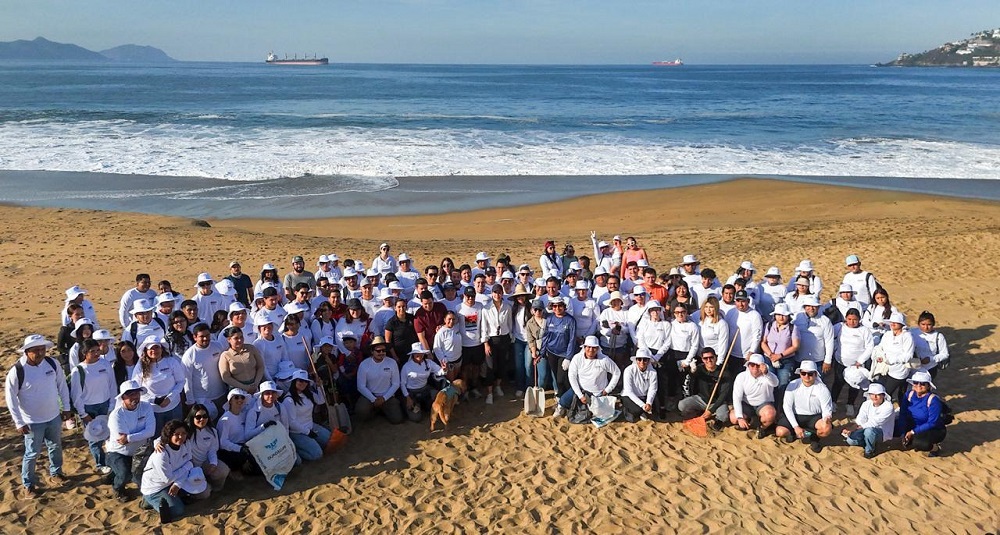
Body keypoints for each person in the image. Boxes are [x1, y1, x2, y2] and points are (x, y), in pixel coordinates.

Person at [5, 335, 72, 499]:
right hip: (32, 421)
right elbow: (11, 399)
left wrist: (66, 408)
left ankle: (56, 473)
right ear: (27, 352)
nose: (41, 353)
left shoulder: (51, 363)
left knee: (55, 447)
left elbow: (62, 385)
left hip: (54, 416)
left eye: (43, 349)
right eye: (36, 350)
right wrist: (19, 422)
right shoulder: (17, 371)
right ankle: (28, 485)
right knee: (32, 453)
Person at [140, 419, 205, 523]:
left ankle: (176, 495)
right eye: (177, 434)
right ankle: (147, 500)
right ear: (169, 435)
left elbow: (188, 463)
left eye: (183, 433)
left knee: (202, 493)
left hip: (175, 480)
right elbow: (168, 478)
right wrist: (187, 466)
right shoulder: (162, 454)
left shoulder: (186, 444)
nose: (181, 437)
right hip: (156, 487)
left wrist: (178, 484)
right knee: (177, 510)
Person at [69, 339, 117, 475]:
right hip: (89, 408)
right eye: (92, 351)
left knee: (109, 434)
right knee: (94, 438)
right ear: (85, 353)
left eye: (97, 350)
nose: (97, 353)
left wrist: (112, 405)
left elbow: (112, 385)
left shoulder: (106, 364)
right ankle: (100, 464)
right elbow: (76, 395)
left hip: (106, 404)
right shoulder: (78, 371)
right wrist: (83, 414)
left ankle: (111, 460)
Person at [105, 379, 156, 502]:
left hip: (140, 451)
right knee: (125, 474)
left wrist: (129, 437)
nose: (134, 397)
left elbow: (151, 431)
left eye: (136, 393)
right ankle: (118, 488)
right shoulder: (116, 415)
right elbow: (121, 440)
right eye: (130, 394)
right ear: (123, 397)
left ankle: (114, 473)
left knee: (142, 478)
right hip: (118, 452)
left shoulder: (146, 407)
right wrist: (140, 435)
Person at [552, 336, 621, 419]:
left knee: (598, 413)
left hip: (598, 393)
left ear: (598, 349)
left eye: (594, 348)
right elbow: (572, 376)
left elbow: (617, 372)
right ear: (584, 347)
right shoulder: (577, 358)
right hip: (580, 390)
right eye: (588, 347)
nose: (591, 350)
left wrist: (607, 390)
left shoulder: (604, 360)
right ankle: (560, 409)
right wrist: (580, 395)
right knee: (563, 400)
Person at [776, 360, 834, 453]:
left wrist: (827, 418)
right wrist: (796, 427)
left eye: (810, 374)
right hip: (796, 415)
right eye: (803, 373)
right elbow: (787, 407)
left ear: (815, 374)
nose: (807, 376)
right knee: (780, 432)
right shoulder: (792, 385)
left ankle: (814, 437)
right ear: (800, 374)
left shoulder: (822, 388)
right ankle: (796, 433)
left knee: (826, 429)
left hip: (814, 417)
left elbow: (826, 408)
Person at [132, 336, 186, 435]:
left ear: (162, 348)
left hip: (173, 406)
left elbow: (181, 381)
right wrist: (155, 400)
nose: (154, 350)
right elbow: (136, 388)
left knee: (175, 434)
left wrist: (169, 398)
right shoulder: (140, 366)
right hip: (152, 410)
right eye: (151, 348)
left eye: (157, 347)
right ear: (146, 351)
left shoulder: (171, 362)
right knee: (157, 437)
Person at [832, 308, 875, 416]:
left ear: (859, 319)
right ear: (845, 318)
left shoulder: (864, 331)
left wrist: (861, 360)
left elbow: (870, 347)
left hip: (857, 364)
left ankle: (850, 404)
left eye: (855, 319)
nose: (852, 322)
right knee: (838, 382)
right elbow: (830, 337)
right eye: (849, 319)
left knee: (854, 385)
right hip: (840, 361)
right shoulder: (839, 327)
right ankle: (833, 402)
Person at [678, 347, 735, 429]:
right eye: (705, 358)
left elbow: (723, 395)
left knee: (723, 416)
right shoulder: (700, 369)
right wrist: (692, 371)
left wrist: (711, 411)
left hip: (717, 402)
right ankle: (699, 412)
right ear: (702, 359)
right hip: (701, 399)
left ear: (716, 357)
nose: (709, 360)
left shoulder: (724, 372)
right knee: (682, 405)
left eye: (711, 357)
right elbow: (693, 375)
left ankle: (717, 421)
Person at [282, 370, 331, 462]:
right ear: (294, 381)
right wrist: (307, 432)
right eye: (300, 380)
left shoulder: (308, 394)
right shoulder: (289, 400)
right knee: (317, 454)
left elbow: (321, 400)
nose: (303, 383)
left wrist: (319, 386)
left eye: (305, 381)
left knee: (329, 441)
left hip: (310, 426)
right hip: (297, 432)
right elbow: (292, 422)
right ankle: (297, 449)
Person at [182, 323, 228, 420]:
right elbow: (187, 380)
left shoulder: (218, 346)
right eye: (201, 336)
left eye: (207, 335)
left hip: (222, 395)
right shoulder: (189, 355)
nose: (205, 338)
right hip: (203, 400)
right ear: (195, 337)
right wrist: (190, 401)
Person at [898, 371, 948, 456]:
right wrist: (903, 433)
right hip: (913, 425)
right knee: (894, 429)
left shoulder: (933, 400)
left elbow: (932, 423)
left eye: (923, 384)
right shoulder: (908, 395)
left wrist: (912, 432)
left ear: (928, 386)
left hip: (932, 429)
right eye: (916, 382)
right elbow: (902, 414)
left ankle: (935, 448)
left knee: (920, 443)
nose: (919, 385)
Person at [729, 354, 780, 438]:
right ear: (748, 366)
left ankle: (762, 428)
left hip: (763, 405)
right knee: (733, 417)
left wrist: (767, 373)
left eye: (758, 365)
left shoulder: (768, 376)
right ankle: (750, 422)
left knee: (770, 414)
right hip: (747, 404)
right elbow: (737, 397)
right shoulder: (741, 376)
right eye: (752, 364)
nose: (755, 367)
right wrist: (740, 417)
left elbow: (775, 383)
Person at [355, 337, 404, 424]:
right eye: (378, 351)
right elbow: (361, 386)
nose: (381, 353)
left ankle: (382, 409)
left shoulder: (392, 362)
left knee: (397, 419)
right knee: (361, 412)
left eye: (384, 350)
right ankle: (376, 410)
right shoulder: (364, 365)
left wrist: (384, 398)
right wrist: (373, 399)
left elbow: (396, 384)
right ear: (372, 351)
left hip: (387, 395)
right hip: (370, 396)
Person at [184, 404, 231, 490]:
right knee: (204, 492)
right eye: (198, 417)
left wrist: (213, 463)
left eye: (204, 416)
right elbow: (166, 436)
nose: (202, 419)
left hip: (205, 462)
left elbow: (212, 450)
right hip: (190, 467)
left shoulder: (212, 431)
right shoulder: (185, 431)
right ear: (192, 417)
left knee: (223, 470)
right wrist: (157, 443)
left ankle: (216, 489)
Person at [480, 284, 513, 404]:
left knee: (502, 364)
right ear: (492, 293)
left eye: (499, 292)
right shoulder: (486, 309)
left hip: (504, 339)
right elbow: (484, 327)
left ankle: (498, 386)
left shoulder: (507, 307)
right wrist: (485, 343)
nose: (497, 295)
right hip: (492, 340)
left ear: (502, 294)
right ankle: (489, 393)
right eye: (495, 292)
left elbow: (510, 324)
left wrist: (510, 337)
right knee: (490, 367)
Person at [842, 383, 895, 459]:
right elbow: (860, 419)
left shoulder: (888, 406)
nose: (875, 397)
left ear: (883, 395)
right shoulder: (866, 404)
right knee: (851, 440)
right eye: (872, 394)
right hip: (865, 428)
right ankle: (869, 442)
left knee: (869, 431)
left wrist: (856, 428)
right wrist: (850, 429)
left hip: (882, 432)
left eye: (878, 394)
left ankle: (869, 451)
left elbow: (876, 422)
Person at [872, 311, 915, 402]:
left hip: (899, 371)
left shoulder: (907, 336)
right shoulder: (887, 334)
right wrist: (879, 356)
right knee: (885, 391)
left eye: (896, 322)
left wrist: (892, 360)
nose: (893, 324)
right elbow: (880, 347)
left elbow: (908, 355)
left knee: (887, 393)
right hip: (885, 369)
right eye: (892, 322)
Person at [541, 296, 577, 397]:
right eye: (554, 306)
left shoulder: (570, 320)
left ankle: (565, 399)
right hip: (551, 352)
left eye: (560, 306)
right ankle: (561, 400)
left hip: (564, 354)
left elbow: (572, 340)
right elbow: (545, 336)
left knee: (562, 379)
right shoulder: (549, 318)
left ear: (564, 307)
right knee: (557, 379)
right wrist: (542, 353)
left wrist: (568, 357)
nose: (557, 308)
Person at [401, 343, 446, 422]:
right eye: (416, 353)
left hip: (425, 389)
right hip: (411, 392)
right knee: (416, 418)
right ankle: (411, 405)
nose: (419, 355)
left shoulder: (428, 363)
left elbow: (439, 371)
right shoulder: (406, 366)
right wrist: (407, 398)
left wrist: (444, 369)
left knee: (440, 397)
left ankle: (426, 406)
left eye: (421, 353)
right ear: (413, 354)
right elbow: (402, 384)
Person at [760, 303, 799, 389]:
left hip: (786, 360)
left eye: (784, 315)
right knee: (768, 383)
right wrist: (771, 355)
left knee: (783, 384)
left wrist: (780, 355)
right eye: (778, 315)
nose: (781, 317)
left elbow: (795, 346)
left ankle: (780, 402)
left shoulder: (793, 328)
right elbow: (763, 342)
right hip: (769, 359)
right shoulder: (769, 325)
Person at [794, 295, 835, 376]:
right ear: (804, 307)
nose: (811, 309)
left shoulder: (825, 321)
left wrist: (827, 361)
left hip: (818, 361)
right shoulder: (797, 318)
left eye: (814, 306)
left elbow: (829, 341)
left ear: (818, 307)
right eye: (808, 306)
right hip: (799, 360)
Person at [218, 326, 266, 395]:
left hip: (255, 387)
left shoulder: (251, 348)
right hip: (238, 391)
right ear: (229, 340)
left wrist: (256, 383)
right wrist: (245, 387)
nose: (240, 340)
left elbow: (260, 366)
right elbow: (226, 377)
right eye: (236, 338)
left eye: (241, 337)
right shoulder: (225, 355)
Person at [216, 388, 253, 476]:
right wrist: (240, 450)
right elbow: (223, 443)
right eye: (236, 397)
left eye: (242, 398)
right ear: (230, 401)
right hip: (230, 452)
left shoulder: (243, 415)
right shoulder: (225, 419)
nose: (240, 400)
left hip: (244, 448)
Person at [457, 286, 486, 398]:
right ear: (464, 296)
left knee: (476, 368)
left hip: (477, 343)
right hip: (464, 344)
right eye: (468, 296)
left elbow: (483, 324)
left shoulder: (480, 306)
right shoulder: (458, 308)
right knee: (465, 369)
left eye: (472, 296)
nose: (470, 298)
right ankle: (465, 390)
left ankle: (474, 388)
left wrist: (483, 340)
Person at [621, 349, 658, 422]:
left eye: (645, 360)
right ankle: (628, 410)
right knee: (636, 410)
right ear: (636, 360)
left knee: (656, 410)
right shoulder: (629, 370)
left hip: (644, 396)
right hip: (629, 396)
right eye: (639, 359)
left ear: (648, 361)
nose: (642, 362)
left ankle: (642, 411)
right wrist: (643, 405)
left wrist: (649, 403)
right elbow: (629, 391)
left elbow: (652, 389)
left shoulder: (653, 372)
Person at [729, 290, 763, 369]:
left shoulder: (755, 315)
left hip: (747, 356)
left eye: (743, 301)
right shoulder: (731, 312)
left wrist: (751, 351)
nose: (740, 304)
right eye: (738, 301)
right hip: (731, 353)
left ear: (748, 301)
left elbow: (757, 336)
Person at [912, 311, 950, 378]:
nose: (926, 327)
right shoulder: (912, 332)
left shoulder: (939, 336)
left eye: (929, 324)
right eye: (923, 324)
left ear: (933, 324)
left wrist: (931, 359)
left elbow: (945, 354)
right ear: (918, 324)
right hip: (914, 367)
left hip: (930, 367)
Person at [385, 297, 419, 365]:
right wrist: (395, 356)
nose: (401, 309)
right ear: (395, 308)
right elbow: (388, 341)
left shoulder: (411, 318)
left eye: (403, 306)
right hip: (399, 355)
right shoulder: (391, 322)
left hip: (412, 353)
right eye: (399, 307)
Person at [432, 311, 464, 382]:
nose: (451, 321)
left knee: (456, 378)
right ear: (444, 320)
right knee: (451, 381)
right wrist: (444, 360)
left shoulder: (456, 327)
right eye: (449, 319)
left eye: (453, 319)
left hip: (458, 358)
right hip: (449, 361)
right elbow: (436, 348)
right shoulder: (441, 332)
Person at [698, 296, 730, 364]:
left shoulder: (721, 324)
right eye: (706, 307)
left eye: (711, 307)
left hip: (713, 358)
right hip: (701, 356)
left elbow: (723, 344)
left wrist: (719, 362)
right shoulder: (700, 321)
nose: (708, 310)